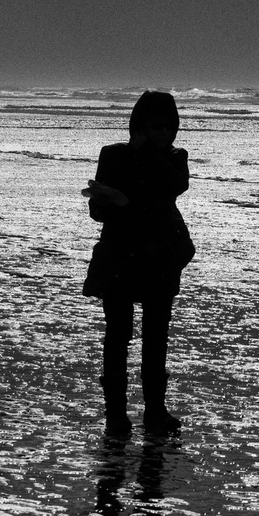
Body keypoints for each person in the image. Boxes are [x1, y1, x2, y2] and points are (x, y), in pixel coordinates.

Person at [83, 91, 195, 437]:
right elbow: (97, 210)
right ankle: (116, 415)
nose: (164, 132)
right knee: (118, 335)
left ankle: (155, 411)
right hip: (120, 253)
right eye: (156, 126)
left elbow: (175, 186)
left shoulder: (175, 158)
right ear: (139, 126)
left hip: (160, 255)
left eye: (169, 126)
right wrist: (109, 201)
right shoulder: (113, 155)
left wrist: (145, 152)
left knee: (156, 337)